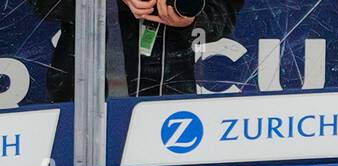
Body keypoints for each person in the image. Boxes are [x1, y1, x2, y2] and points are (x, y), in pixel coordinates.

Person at [34, 0, 244, 101]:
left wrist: (191, 19)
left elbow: (223, 14)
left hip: (169, 95)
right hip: (84, 99)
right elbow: (44, 5)